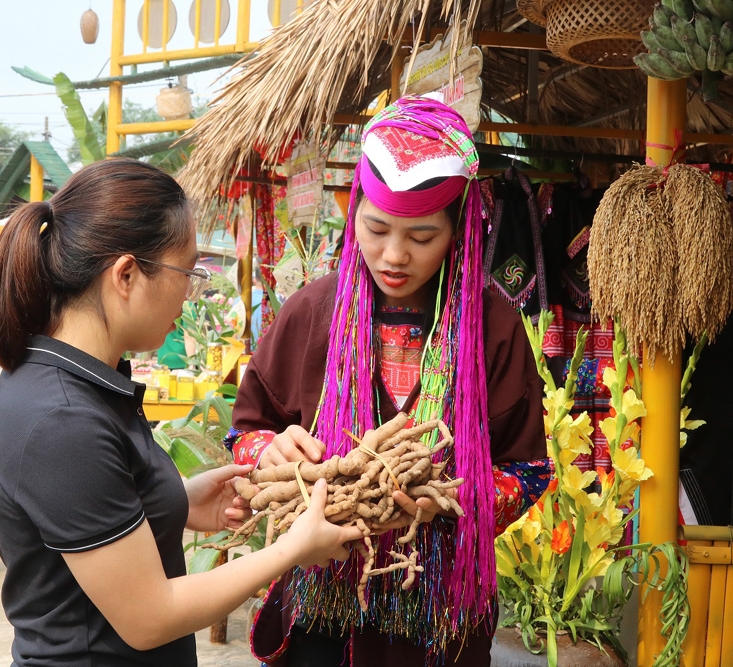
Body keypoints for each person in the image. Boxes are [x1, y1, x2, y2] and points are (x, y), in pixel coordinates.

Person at [0, 158, 363, 667]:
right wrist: (291, 549)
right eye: (188, 271)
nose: (190, 294)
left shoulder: (74, 379)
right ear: (126, 274)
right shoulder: (62, 417)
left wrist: (177, 502)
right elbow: (149, 618)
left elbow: (87, 512)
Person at [226, 97, 548, 666]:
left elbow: (528, 469)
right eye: (376, 229)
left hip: (440, 615)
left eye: (422, 237)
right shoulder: (311, 311)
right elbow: (247, 429)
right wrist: (271, 453)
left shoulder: (493, 327)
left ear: (461, 228)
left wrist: (447, 500)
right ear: (355, 217)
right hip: (323, 601)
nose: (394, 255)